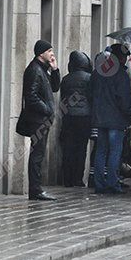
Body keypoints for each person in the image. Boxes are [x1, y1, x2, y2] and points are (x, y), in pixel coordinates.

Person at [17, 39, 61, 201]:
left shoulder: (43, 69)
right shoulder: (34, 70)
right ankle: (35, 190)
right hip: (37, 120)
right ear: (41, 53)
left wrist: (55, 70)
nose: (52, 54)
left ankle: (36, 189)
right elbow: (31, 96)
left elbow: (55, 88)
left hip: (42, 119)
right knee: (37, 155)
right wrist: (47, 109)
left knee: (39, 154)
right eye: (49, 51)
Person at [91, 44, 131, 194]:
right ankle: (113, 183)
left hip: (100, 118)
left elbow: (91, 94)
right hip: (116, 119)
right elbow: (124, 101)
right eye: (125, 57)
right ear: (120, 58)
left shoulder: (97, 73)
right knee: (115, 151)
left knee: (101, 150)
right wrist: (128, 115)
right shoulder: (121, 75)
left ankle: (99, 183)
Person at [59, 51, 93, 187]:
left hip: (69, 117)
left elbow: (63, 98)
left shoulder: (66, 79)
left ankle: (67, 178)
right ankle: (78, 178)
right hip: (84, 117)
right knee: (81, 149)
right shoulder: (89, 78)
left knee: (68, 148)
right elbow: (91, 97)